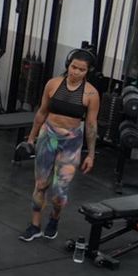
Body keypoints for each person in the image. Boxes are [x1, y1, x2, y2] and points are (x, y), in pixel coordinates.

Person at [20, 49, 100, 241]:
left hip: (71, 143)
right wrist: (31, 137)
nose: (76, 72)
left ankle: (54, 219)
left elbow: (91, 125)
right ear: (68, 65)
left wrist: (90, 154)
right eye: (73, 67)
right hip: (48, 136)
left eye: (81, 69)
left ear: (87, 71)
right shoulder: (53, 84)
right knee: (41, 184)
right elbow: (42, 112)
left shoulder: (91, 94)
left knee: (59, 193)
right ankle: (35, 226)